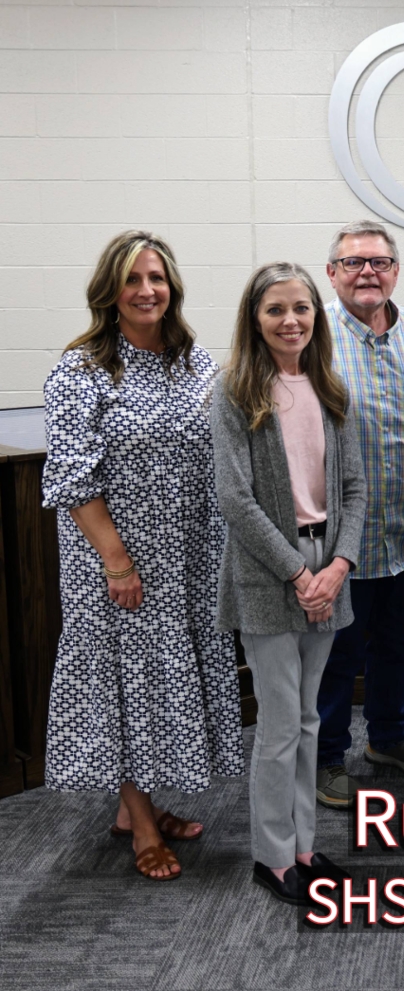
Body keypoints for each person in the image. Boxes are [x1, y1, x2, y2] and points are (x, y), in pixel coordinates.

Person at [41, 229, 243, 882]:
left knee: (166, 681)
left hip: (188, 557)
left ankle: (139, 806)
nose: (147, 290)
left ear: (172, 286)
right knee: (125, 685)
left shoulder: (195, 361)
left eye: (156, 278)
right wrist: (117, 561)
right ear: (110, 290)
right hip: (117, 561)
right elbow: (73, 481)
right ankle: (144, 828)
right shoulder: (80, 372)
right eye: (133, 280)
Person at [211, 262, 367, 904]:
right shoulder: (235, 392)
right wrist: (300, 573)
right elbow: (235, 498)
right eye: (276, 309)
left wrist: (337, 566)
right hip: (269, 577)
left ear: (316, 315)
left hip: (327, 574)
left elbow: (355, 488)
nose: (291, 320)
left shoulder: (330, 388)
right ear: (255, 319)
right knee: (278, 725)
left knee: (307, 720)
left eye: (301, 307)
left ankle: (305, 845)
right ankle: (272, 857)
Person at [315, 221, 404, 812]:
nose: (368, 272)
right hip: (341, 542)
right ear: (332, 273)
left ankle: (391, 738)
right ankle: (326, 756)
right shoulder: (311, 339)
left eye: (380, 262)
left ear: (395, 270)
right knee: (336, 657)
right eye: (354, 262)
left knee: (401, 645)